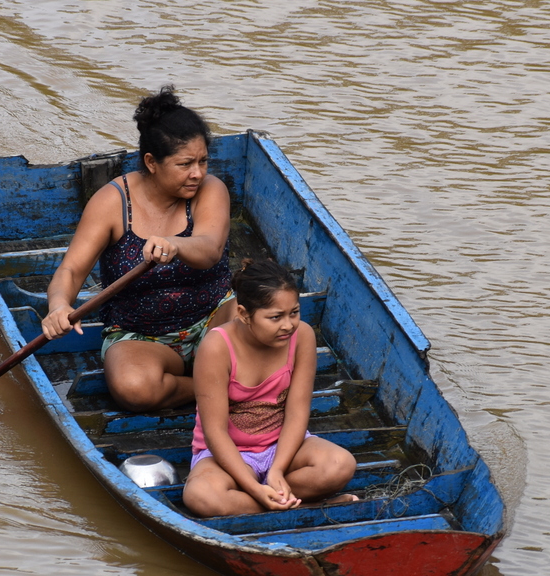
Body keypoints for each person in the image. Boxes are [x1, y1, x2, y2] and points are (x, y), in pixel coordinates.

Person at [41, 86, 234, 412]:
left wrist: (175, 244)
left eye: (203, 161)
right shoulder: (112, 202)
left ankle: (216, 379)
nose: (198, 173)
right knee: (134, 389)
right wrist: (58, 305)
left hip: (213, 320)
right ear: (152, 162)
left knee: (274, 329)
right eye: (185, 163)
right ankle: (216, 387)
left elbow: (210, 249)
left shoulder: (210, 190)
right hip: (143, 338)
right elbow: (71, 270)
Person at [182, 259, 359, 517]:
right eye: (275, 317)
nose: (287, 325)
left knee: (340, 465)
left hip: (283, 447)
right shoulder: (217, 347)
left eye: (294, 312)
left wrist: (276, 469)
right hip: (228, 453)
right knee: (201, 496)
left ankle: (263, 500)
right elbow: (215, 432)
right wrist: (253, 487)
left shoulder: (302, 337)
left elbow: (297, 412)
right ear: (244, 314)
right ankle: (307, 507)